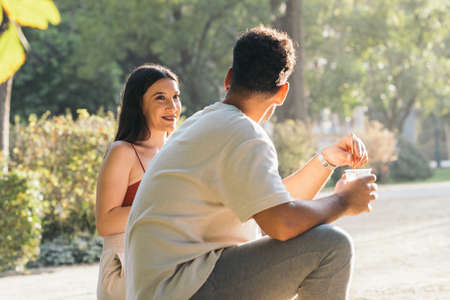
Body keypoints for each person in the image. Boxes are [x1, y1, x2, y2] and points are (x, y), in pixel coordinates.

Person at [125, 26, 377, 300]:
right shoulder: (242, 133)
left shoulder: (212, 122)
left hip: (170, 287)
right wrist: (342, 202)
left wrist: (326, 161)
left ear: (229, 78)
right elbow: (281, 223)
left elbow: (271, 204)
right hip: (180, 288)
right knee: (331, 245)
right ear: (282, 93)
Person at [95, 64, 181, 300]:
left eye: (175, 97)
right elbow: (105, 222)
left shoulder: (177, 150)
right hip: (126, 270)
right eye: (160, 98)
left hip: (166, 263)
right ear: (139, 104)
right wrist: (165, 208)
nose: (172, 107)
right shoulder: (123, 152)